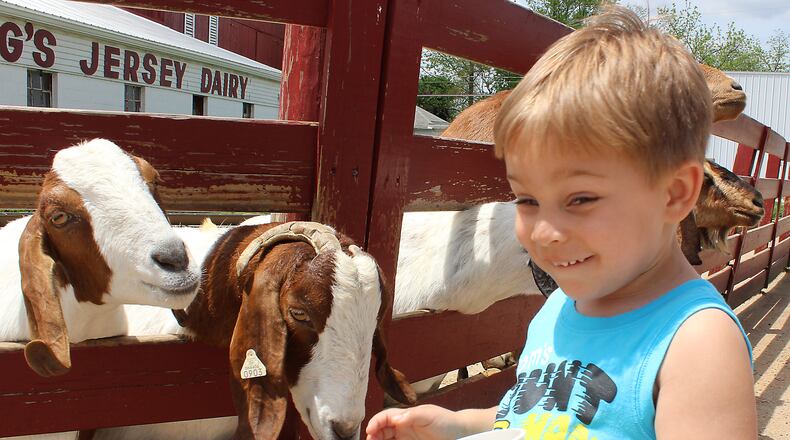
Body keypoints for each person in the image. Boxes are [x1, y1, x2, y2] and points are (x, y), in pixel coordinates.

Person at [366, 6, 757, 440]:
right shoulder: (557, 309)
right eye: (527, 199)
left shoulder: (697, 343)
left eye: (581, 198)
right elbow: (539, 415)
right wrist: (457, 423)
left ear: (674, 194)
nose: (544, 232)